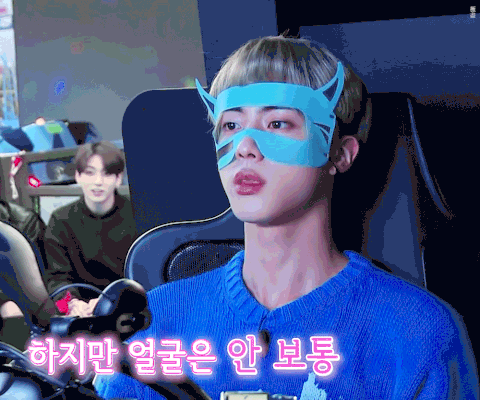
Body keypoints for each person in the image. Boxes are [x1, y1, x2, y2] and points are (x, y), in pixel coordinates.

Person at [94, 36, 478, 399]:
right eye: (231, 125)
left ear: (340, 153)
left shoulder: (417, 332)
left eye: (277, 124)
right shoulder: (153, 322)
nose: (245, 147)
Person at [43, 141, 138, 317]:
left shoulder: (137, 216)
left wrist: (112, 300)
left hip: (129, 309)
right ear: (78, 176)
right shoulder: (61, 220)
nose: (98, 182)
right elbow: (57, 279)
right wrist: (71, 304)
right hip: (81, 314)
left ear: (118, 178)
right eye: (89, 173)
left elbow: (146, 274)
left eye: (107, 174)